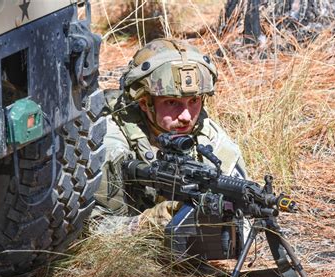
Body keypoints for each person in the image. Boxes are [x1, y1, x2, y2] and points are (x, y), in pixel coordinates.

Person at [94, 38, 247, 233]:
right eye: (172, 103)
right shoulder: (111, 143)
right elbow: (93, 230)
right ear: (144, 102)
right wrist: (145, 224)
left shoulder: (209, 136)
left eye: (193, 101)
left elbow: (244, 224)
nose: (186, 116)